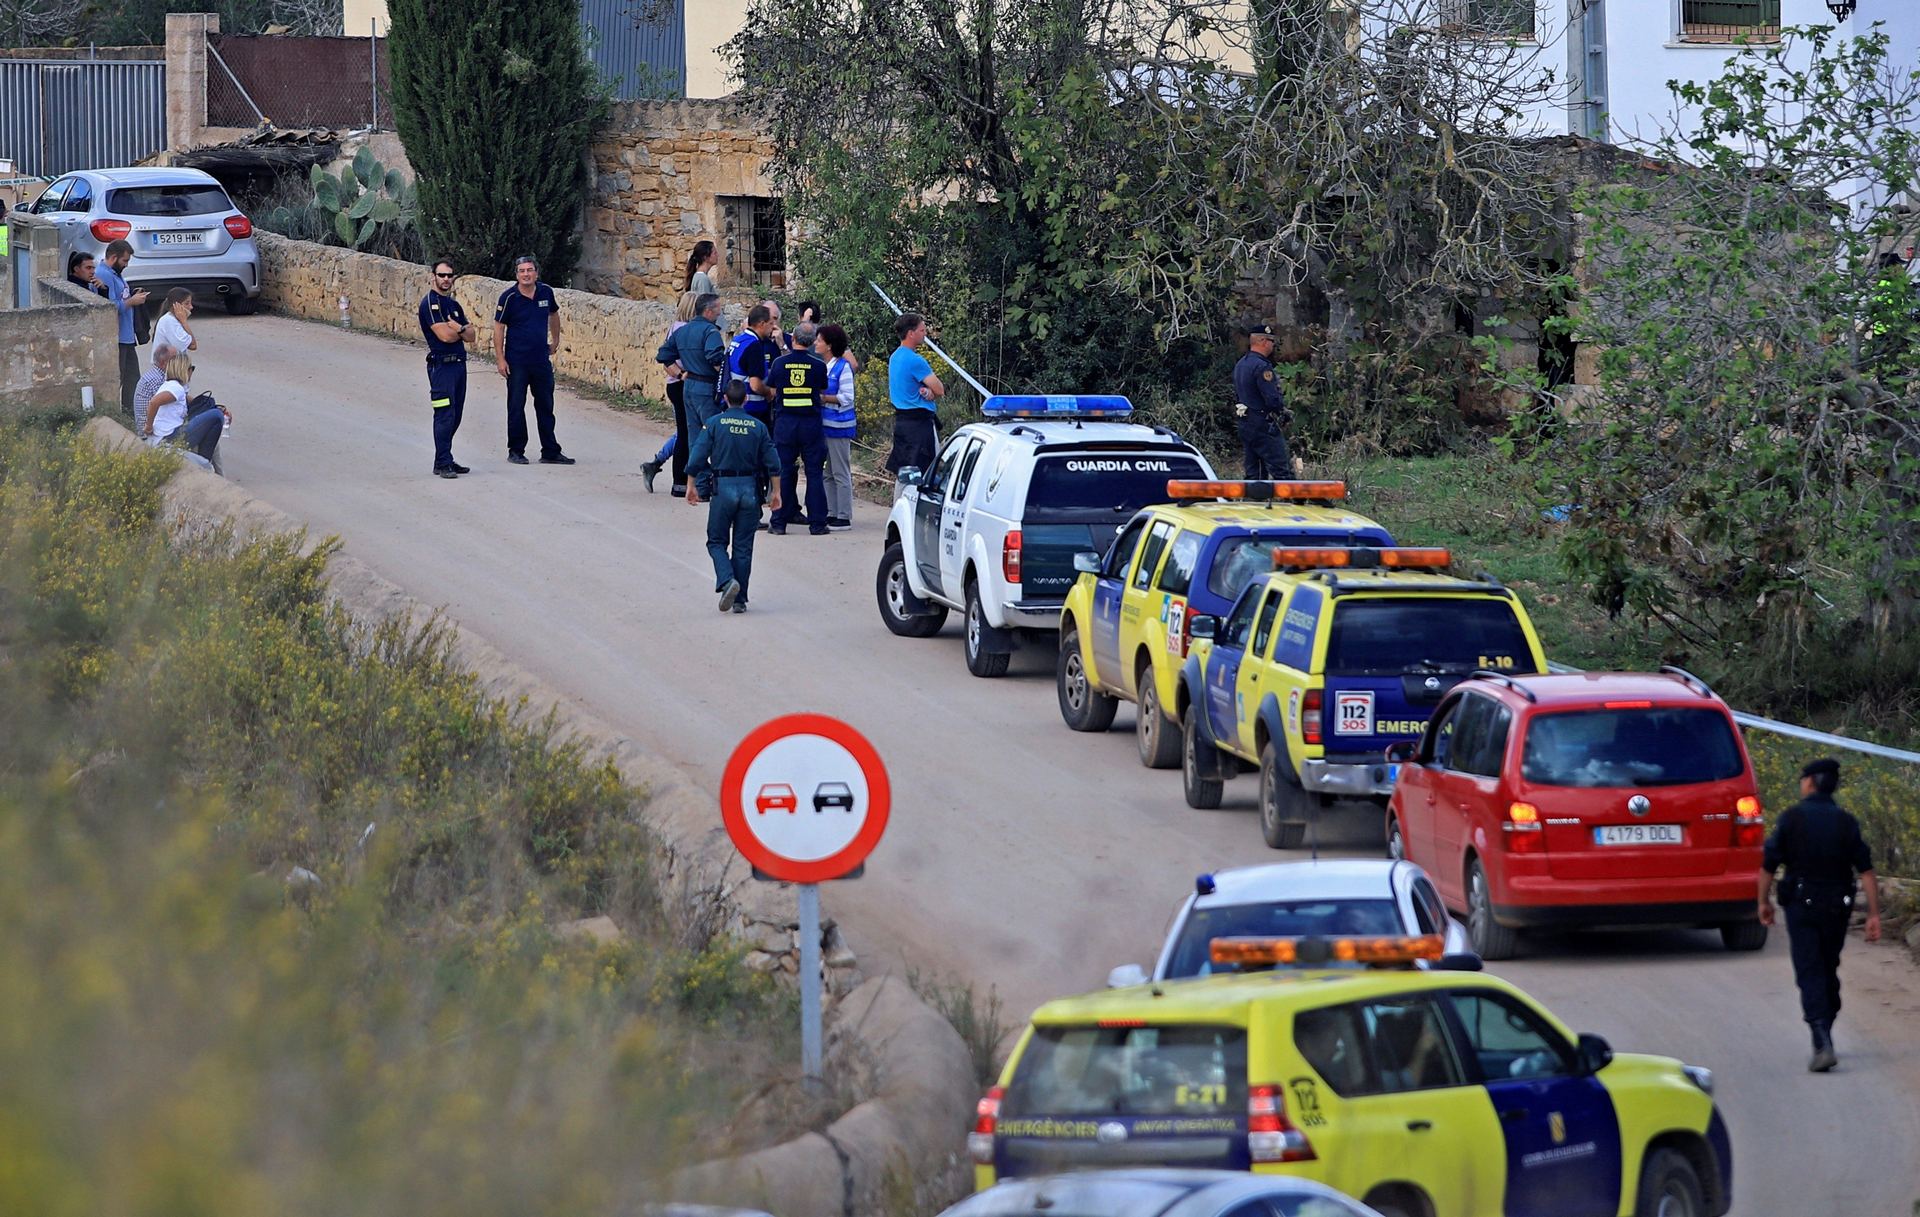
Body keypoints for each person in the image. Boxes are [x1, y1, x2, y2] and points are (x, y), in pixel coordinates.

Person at [1759, 757, 1883, 1072]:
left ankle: (1821, 1038)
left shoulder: (1791, 818)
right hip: (1836, 908)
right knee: (1827, 968)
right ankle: (1826, 1025)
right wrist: (1873, 914)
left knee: (1809, 971)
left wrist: (1763, 901)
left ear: (1810, 782)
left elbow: (1769, 865)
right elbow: (1867, 871)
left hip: (1802, 906)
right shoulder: (1846, 821)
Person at [685, 380, 782, 613]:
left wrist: (691, 485)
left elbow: (697, 456)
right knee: (743, 546)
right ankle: (740, 600)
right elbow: (773, 463)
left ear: (725, 399)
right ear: (746, 400)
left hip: (724, 488)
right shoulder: (758, 427)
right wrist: (776, 492)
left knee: (716, 541)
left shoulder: (714, 424)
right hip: (750, 489)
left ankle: (728, 580)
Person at [493, 255, 571, 465]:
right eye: (522, 271)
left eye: (529, 270)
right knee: (516, 405)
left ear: (536, 272)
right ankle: (516, 450)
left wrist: (555, 340)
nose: (526, 274)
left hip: (540, 360)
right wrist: (501, 359)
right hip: (517, 361)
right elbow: (499, 327)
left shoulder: (546, 292)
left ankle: (550, 450)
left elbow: (554, 315)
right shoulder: (508, 297)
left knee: (546, 404)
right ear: (516, 275)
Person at [655, 292, 729, 494]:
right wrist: (725, 380)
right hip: (706, 387)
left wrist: (680, 374)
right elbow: (715, 359)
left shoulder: (683, 331)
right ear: (708, 310)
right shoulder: (710, 332)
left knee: (695, 438)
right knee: (716, 434)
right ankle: (719, 481)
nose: (720, 312)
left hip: (689, 387)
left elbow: (663, 355)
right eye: (718, 309)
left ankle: (701, 484)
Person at [766, 321, 831, 536]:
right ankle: (818, 524)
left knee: (783, 473)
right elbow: (822, 387)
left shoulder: (779, 363)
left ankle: (778, 523)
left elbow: (772, 387)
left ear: (792, 339)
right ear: (813, 342)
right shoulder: (819, 364)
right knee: (814, 474)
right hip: (811, 425)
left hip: (785, 424)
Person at [419, 260, 474, 479]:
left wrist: (458, 328)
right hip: (441, 367)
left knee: (456, 415)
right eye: (441, 275)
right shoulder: (430, 304)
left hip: (458, 366)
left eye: (449, 275)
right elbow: (444, 336)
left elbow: (471, 336)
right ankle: (442, 463)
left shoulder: (454, 306)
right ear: (433, 276)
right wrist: (458, 330)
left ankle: (445, 457)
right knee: (444, 414)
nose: (446, 279)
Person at [643, 291, 701, 496]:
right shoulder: (685, 330)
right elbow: (669, 359)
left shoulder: (675, 327)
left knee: (685, 431)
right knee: (687, 433)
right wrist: (682, 374)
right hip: (683, 383)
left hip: (675, 383)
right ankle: (680, 480)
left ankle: (659, 462)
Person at [886, 312, 944, 492]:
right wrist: (931, 392)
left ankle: (898, 511)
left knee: (904, 471)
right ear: (911, 333)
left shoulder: (895, 357)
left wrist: (927, 392)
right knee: (923, 472)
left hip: (902, 422)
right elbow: (940, 389)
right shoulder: (915, 361)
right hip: (919, 425)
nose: (925, 334)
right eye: (922, 330)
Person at [95, 239, 150, 419]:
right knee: (118, 380)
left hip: (126, 336)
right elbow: (109, 307)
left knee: (132, 379)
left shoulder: (115, 274)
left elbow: (121, 297)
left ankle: (129, 417)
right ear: (113, 257)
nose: (126, 265)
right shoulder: (104, 275)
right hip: (117, 338)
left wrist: (132, 296)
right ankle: (112, 417)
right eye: (124, 261)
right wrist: (131, 302)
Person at [1233, 323, 1294, 480]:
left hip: (1245, 422)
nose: (1273, 345)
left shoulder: (1241, 364)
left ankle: (1253, 501)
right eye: (1271, 341)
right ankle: (1297, 501)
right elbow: (1272, 399)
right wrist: (1282, 412)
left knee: (1255, 473)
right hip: (1262, 424)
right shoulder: (1262, 366)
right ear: (1263, 341)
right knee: (1282, 470)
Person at [143, 353, 226, 466]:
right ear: (185, 370)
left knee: (214, 415)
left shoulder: (171, 386)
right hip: (170, 436)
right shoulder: (176, 388)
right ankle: (204, 460)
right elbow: (154, 402)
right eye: (191, 368)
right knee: (217, 416)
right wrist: (148, 427)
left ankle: (203, 461)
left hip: (168, 434)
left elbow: (193, 402)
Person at [816, 322, 857, 530]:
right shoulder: (825, 366)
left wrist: (824, 398)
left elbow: (847, 397)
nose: (816, 343)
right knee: (828, 472)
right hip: (825, 426)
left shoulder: (843, 367)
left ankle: (844, 514)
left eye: (820, 341)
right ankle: (832, 511)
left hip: (839, 427)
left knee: (840, 471)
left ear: (830, 345)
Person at [728, 302, 782, 424]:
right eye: (770, 323)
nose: (773, 327)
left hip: (735, 403)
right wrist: (769, 392)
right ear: (762, 324)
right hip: (752, 407)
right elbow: (755, 385)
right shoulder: (754, 346)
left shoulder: (738, 340)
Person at [133, 342, 176, 435]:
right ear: (164, 363)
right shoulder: (157, 380)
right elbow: (171, 403)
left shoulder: (156, 374)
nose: (178, 362)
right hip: (150, 432)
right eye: (175, 359)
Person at [153, 288, 197, 360]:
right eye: (187, 303)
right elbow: (193, 345)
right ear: (176, 306)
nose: (191, 307)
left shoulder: (173, 319)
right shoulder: (169, 321)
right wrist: (184, 322)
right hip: (167, 369)